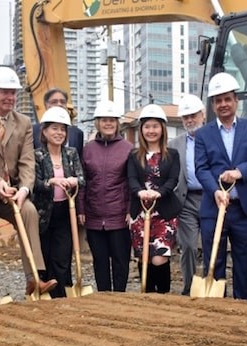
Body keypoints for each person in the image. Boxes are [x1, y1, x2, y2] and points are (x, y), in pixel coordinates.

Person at [0, 66, 57, 299]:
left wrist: (25, 188)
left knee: (29, 212)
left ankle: (34, 278)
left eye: (13, 92)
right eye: (4, 92)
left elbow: (28, 161)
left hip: (14, 193)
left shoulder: (24, 122)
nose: (9, 97)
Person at [194, 72, 247, 300]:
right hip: (214, 208)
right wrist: (215, 190)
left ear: (236, 101)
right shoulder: (203, 134)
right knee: (214, 260)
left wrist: (240, 171)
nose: (223, 104)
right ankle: (217, 308)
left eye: (227, 99)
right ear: (213, 105)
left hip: (244, 208)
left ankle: (242, 306)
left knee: (243, 262)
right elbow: (201, 168)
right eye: (218, 100)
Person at [78, 100, 133, 292]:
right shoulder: (88, 149)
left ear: (117, 123)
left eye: (112, 120)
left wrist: (129, 210)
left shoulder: (128, 148)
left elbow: (131, 181)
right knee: (99, 260)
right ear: (97, 123)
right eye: (104, 120)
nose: (108, 123)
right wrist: (81, 208)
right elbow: (83, 181)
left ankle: (119, 296)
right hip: (93, 214)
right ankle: (103, 297)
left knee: (120, 260)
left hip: (119, 215)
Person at [127, 104, 182, 293]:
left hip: (164, 212)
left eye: (155, 126)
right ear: (141, 130)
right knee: (144, 258)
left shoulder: (172, 155)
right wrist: (140, 192)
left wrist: (159, 192)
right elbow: (132, 179)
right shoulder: (134, 155)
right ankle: (147, 296)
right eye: (147, 126)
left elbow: (173, 179)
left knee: (159, 257)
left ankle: (163, 295)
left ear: (162, 129)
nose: (151, 131)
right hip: (140, 213)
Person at [32, 106, 85, 298]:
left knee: (62, 257)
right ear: (44, 131)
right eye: (54, 128)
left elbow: (81, 178)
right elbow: (33, 183)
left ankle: (61, 296)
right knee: (45, 255)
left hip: (65, 211)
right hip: (44, 214)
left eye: (63, 129)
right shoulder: (37, 155)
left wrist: (74, 181)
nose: (59, 133)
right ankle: (45, 295)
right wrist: (50, 182)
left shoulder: (71, 154)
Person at [168, 94, 206, 295]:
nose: (190, 120)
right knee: (189, 245)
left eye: (193, 115)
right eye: (185, 117)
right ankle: (189, 286)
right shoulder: (175, 145)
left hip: (211, 198)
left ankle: (212, 284)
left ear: (203, 114)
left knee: (212, 245)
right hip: (186, 199)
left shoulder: (213, 137)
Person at [32, 88, 84, 159]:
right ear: (46, 105)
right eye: (54, 102)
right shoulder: (33, 131)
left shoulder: (77, 133)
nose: (59, 104)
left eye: (62, 102)